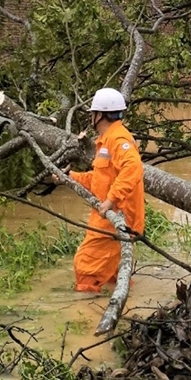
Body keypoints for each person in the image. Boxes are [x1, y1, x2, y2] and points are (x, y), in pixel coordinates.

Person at [68, 87, 145, 293]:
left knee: (85, 270)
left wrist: (111, 200)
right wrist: (71, 177)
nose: (91, 117)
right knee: (113, 277)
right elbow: (102, 178)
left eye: (92, 113)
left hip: (116, 219)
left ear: (100, 114)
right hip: (110, 217)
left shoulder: (118, 139)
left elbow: (133, 168)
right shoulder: (106, 141)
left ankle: (85, 316)